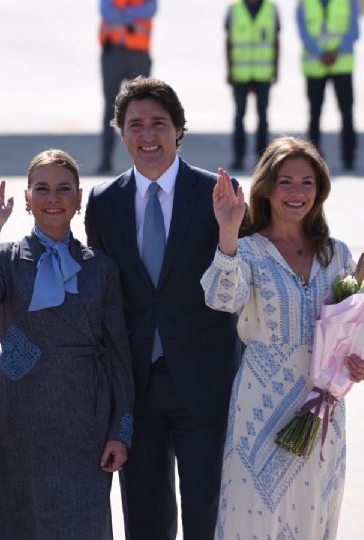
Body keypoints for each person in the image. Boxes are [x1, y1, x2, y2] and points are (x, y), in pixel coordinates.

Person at [201, 136, 364, 538]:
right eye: (286, 181)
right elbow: (220, 298)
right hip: (260, 408)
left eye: (307, 182)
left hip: (321, 412)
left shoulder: (337, 255)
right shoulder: (246, 250)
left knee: (311, 517)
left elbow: (358, 331)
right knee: (252, 518)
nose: (297, 192)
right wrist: (227, 233)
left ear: (320, 190)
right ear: (266, 188)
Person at [84, 77, 239, 540]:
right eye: (135, 125)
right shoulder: (104, 202)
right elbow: (103, 295)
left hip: (203, 385)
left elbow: (236, 285)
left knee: (206, 518)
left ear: (179, 130)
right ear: (121, 132)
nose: (147, 136)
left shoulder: (216, 194)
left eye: (158, 124)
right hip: (138, 390)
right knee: (145, 521)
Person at [0, 150, 134, 539]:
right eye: (42, 189)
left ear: (78, 198)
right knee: (16, 519)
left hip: (85, 415)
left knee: (81, 522)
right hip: (20, 413)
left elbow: (120, 354)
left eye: (63, 189)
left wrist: (120, 430)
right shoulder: (5, 258)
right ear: (26, 198)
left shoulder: (101, 268)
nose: (52, 198)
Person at [297, 0, 360, 170]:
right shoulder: (305, 3)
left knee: (346, 113)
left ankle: (349, 157)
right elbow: (304, 33)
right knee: (315, 114)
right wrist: (320, 53)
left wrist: (335, 52)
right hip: (316, 65)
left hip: (341, 65)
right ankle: (313, 158)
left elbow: (354, 31)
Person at [96, 0, 157, 174]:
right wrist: (132, 15)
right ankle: (106, 159)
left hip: (138, 54)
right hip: (113, 53)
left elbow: (150, 10)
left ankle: (143, 161)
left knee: (142, 109)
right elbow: (106, 11)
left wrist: (123, 15)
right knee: (110, 108)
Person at [225, 0, 279, 170]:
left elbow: (276, 42)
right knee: (239, 116)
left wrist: (275, 68)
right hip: (240, 73)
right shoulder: (234, 10)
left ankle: (262, 157)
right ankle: (238, 157)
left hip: (263, 72)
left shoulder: (271, 10)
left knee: (262, 117)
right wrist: (230, 69)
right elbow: (229, 42)